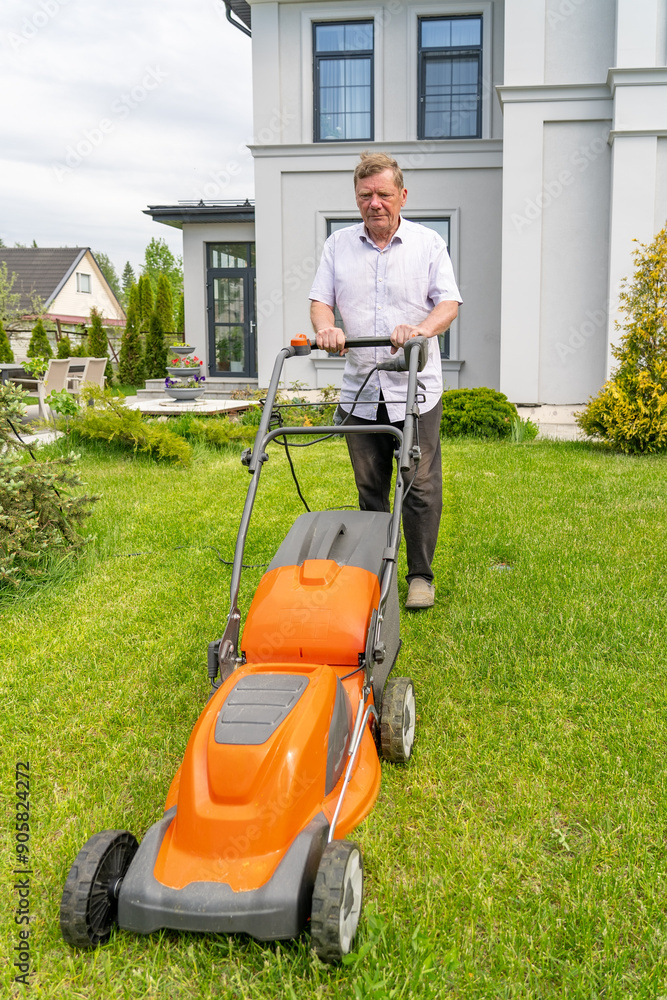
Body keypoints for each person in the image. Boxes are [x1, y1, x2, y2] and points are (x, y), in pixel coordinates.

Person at [309, 151, 462, 609]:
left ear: (402, 196)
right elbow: (321, 300)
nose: (375, 203)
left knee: (419, 481)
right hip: (360, 388)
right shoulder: (338, 245)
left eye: (383, 194)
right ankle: (375, 572)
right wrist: (325, 328)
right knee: (369, 487)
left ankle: (419, 576)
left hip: (414, 388)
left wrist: (420, 330)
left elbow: (448, 304)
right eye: (365, 195)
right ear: (357, 198)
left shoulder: (428, 243)